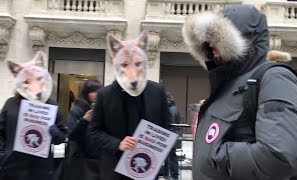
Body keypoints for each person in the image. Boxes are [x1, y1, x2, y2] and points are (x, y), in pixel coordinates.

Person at [182, 4, 297, 180]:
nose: (211, 44)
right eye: (208, 39)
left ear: (241, 40)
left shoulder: (275, 79)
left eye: (217, 37)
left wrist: (215, 156)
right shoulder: (227, 84)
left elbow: (282, 155)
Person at [87, 32, 170, 180]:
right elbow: (93, 132)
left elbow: (168, 127)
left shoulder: (157, 92)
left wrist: (157, 146)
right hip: (114, 170)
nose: (133, 73)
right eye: (125, 64)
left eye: (138, 63)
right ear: (116, 60)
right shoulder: (105, 95)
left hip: (147, 168)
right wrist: (118, 144)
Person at [0, 51, 67, 180]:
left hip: (41, 170)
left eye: (38, 78)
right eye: (26, 81)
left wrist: (56, 133)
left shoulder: (52, 106)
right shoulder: (11, 104)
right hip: (12, 168)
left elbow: (61, 138)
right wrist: (2, 155)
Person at [161, 92, 180, 180]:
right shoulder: (173, 108)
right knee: (171, 155)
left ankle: (172, 174)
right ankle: (170, 174)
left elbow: (170, 123)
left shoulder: (171, 109)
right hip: (173, 134)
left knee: (171, 156)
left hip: (170, 135)